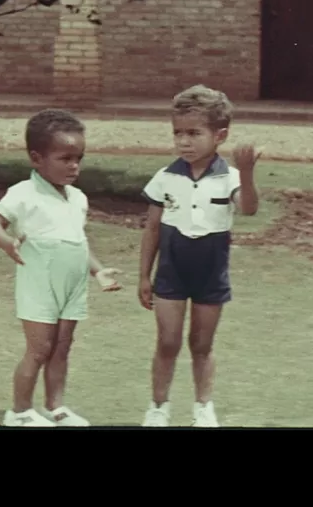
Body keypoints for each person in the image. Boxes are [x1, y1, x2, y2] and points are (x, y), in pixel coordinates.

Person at [0, 109, 124, 427]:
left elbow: (77, 241)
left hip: (72, 284)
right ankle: (20, 411)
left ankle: (55, 407)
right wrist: (7, 243)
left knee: (62, 348)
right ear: (37, 158)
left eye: (79, 158)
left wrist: (98, 271)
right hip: (39, 282)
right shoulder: (23, 193)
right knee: (39, 349)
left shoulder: (78, 198)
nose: (74, 166)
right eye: (65, 158)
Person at [137, 85, 260, 428]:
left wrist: (247, 173)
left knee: (202, 345)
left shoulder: (230, 178)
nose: (184, 142)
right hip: (171, 274)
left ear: (220, 136)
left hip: (210, 275)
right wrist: (144, 275)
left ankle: (203, 407)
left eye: (194, 133)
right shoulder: (165, 177)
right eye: (178, 133)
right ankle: (158, 407)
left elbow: (249, 209)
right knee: (167, 342)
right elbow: (152, 229)